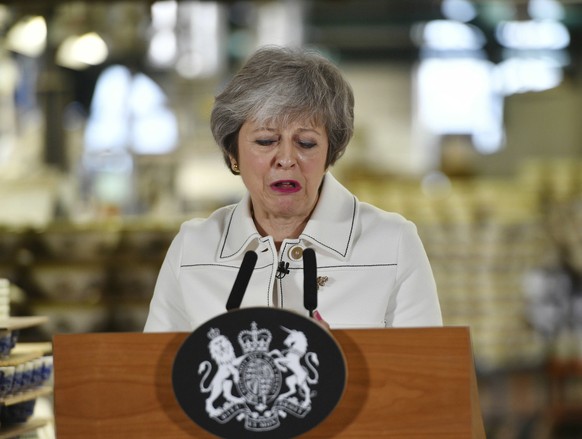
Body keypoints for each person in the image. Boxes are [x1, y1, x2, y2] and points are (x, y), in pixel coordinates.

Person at [144, 45, 442, 332]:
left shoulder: (393, 243)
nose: (286, 159)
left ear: (330, 153)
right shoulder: (192, 248)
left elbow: (426, 375)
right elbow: (153, 374)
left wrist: (337, 361)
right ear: (233, 153)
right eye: (265, 141)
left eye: (306, 143)